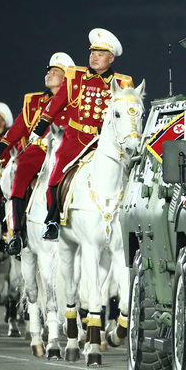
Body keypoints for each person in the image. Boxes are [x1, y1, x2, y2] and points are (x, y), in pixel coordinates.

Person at [25, 30, 133, 241]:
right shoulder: (75, 76)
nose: (94, 56)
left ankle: (128, 219)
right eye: (92, 52)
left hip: (105, 142)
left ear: (111, 58)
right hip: (76, 139)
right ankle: (53, 221)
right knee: (55, 178)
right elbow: (56, 104)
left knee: (128, 175)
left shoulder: (122, 83)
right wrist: (38, 129)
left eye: (100, 54)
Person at [0, 51, 74, 255]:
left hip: (62, 150)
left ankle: (60, 224)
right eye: (49, 72)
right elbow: (17, 129)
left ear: (65, 78)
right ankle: (18, 233)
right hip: (36, 151)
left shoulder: (72, 101)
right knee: (20, 175)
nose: (48, 75)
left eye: (55, 72)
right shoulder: (33, 102)